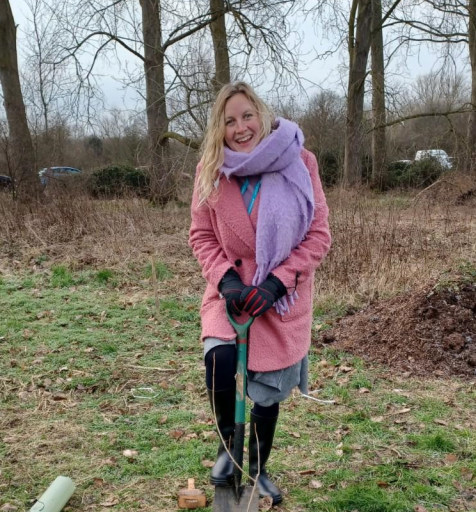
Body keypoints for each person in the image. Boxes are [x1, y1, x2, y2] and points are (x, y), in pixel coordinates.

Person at [189, 81, 331, 505]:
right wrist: (226, 281)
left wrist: (277, 282)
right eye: (229, 121)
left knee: (267, 390)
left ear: (263, 115)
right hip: (229, 292)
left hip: (281, 295)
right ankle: (227, 447)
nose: (241, 127)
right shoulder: (210, 168)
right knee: (219, 358)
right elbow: (201, 235)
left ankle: (259, 468)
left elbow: (319, 235)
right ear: (220, 128)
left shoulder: (300, 162)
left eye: (247, 116)